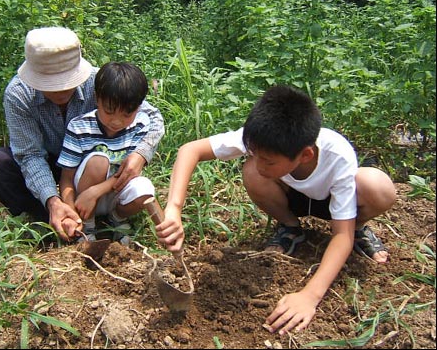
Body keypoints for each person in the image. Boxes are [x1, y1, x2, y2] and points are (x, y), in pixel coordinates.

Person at [155, 84, 396, 334]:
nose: (259, 163)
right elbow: (190, 150)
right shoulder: (262, 137)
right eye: (254, 153)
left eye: (268, 160)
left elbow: (340, 236)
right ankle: (290, 227)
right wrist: (173, 208)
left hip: (331, 201)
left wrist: (309, 297)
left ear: (305, 155)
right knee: (251, 172)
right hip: (292, 196)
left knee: (377, 187)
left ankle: (359, 227)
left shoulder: (338, 155)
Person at [0, 27, 164, 242]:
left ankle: (95, 215)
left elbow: (153, 117)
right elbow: (30, 156)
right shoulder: (19, 94)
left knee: (98, 160)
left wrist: (141, 154)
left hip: (91, 162)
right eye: (50, 84)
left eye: (67, 81)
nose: (61, 91)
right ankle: (55, 217)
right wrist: (54, 201)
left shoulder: (98, 82)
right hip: (50, 162)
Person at [57, 62, 157, 244]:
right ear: (97, 99)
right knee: (98, 161)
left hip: (115, 192)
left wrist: (96, 192)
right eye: (109, 111)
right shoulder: (80, 127)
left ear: (139, 107)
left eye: (127, 115)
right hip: (84, 194)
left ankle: (117, 218)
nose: (117, 121)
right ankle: (86, 225)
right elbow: (66, 178)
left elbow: (131, 173)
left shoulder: (140, 125)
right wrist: (71, 210)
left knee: (145, 189)